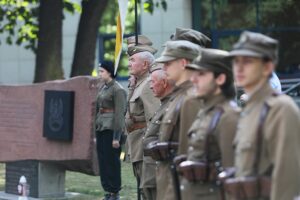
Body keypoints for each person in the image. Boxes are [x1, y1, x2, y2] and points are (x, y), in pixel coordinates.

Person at [225, 31, 300, 200]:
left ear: (267, 67)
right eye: (236, 61)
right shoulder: (250, 108)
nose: (239, 68)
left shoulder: (280, 109)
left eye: (248, 61)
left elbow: (286, 182)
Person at [176, 49, 240, 200]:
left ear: (220, 79)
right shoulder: (206, 111)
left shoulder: (228, 117)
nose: (194, 79)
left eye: (202, 74)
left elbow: (232, 177)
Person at [151, 40, 200, 200]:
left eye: (168, 63)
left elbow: (189, 155)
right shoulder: (178, 96)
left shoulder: (191, 98)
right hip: (168, 180)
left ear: (183, 63)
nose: (164, 69)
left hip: (178, 186)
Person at [125, 35, 160, 199]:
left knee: (149, 191)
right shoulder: (139, 83)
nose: (128, 63)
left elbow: (153, 118)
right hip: (136, 145)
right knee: (142, 190)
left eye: (132, 60)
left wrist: (149, 150)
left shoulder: (148, 85)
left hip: (144, 148)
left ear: (145, 64)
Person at [141, 63, 175, 200]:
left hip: (158, 170)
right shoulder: (163, 105)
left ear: (165, 83)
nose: (150, 86)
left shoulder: (170, 106)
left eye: (153, 82)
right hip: (151, 169)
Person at [95, 61, 127, 200]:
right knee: (102, 161)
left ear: (109, 72)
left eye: (101, 71)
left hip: (111, 129)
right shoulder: (103, 88)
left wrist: (116, 137)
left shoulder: (117, 89)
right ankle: (107, 190)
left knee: (112, 161)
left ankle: (114, 192)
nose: (99, 74)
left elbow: (120, 114)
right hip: (101, 127)